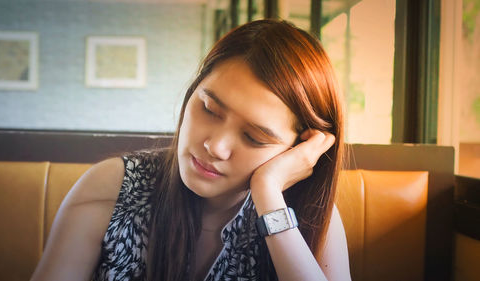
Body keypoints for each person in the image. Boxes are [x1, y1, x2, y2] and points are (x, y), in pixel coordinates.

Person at [30, 19, 351, 281]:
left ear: (300, 146)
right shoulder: (115, 187)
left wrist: (268, 193)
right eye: (209, 109)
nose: (215, 146)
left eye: (254, 137)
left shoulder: (309, 215)